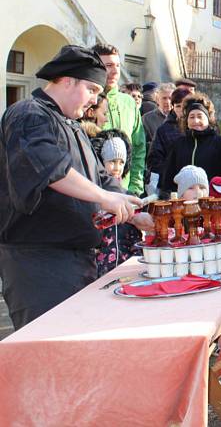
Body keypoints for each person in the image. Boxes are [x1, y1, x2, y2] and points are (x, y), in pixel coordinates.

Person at [0, 46, 144, 330]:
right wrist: (104, 198)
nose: (94, 101)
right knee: (47, 350)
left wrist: (138, 211)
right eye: (91, 89)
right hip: (38, 261)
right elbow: (49, 169)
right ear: (67, 80)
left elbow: (100, 178)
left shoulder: (72, 125)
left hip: (77, 258)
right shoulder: (29, 114)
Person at [91, 129, 148, 277]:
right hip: (98, 271)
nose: (117, 167)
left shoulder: (129, 197)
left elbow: (136, 237)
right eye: (112, 162)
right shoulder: (95, 198)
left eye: (121, 162)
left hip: (128, 268)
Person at [93, 43, 146, 195]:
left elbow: (138, 147)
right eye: (108, 65)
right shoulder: (88, 101)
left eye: (117, 65)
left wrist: (135, 186)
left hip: (125, 188)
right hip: (95, 189)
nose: (115, 71)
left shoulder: (128, 102)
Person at [159, 94, 221, 196]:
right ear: (187, 121)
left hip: (212, 203)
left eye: (200, 116)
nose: (196, 121)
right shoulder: (178, 145)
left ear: (208, 119)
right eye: (192, 117)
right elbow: (168, 178)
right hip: (183, 204)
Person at [147, 87, 192, 194]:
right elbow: (154, 160)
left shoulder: (198, 126)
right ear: (173, 107)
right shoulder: (164, 130)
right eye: (178, 106)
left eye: (185, 106)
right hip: (172, 187)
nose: (182, 110)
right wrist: (170, 175)